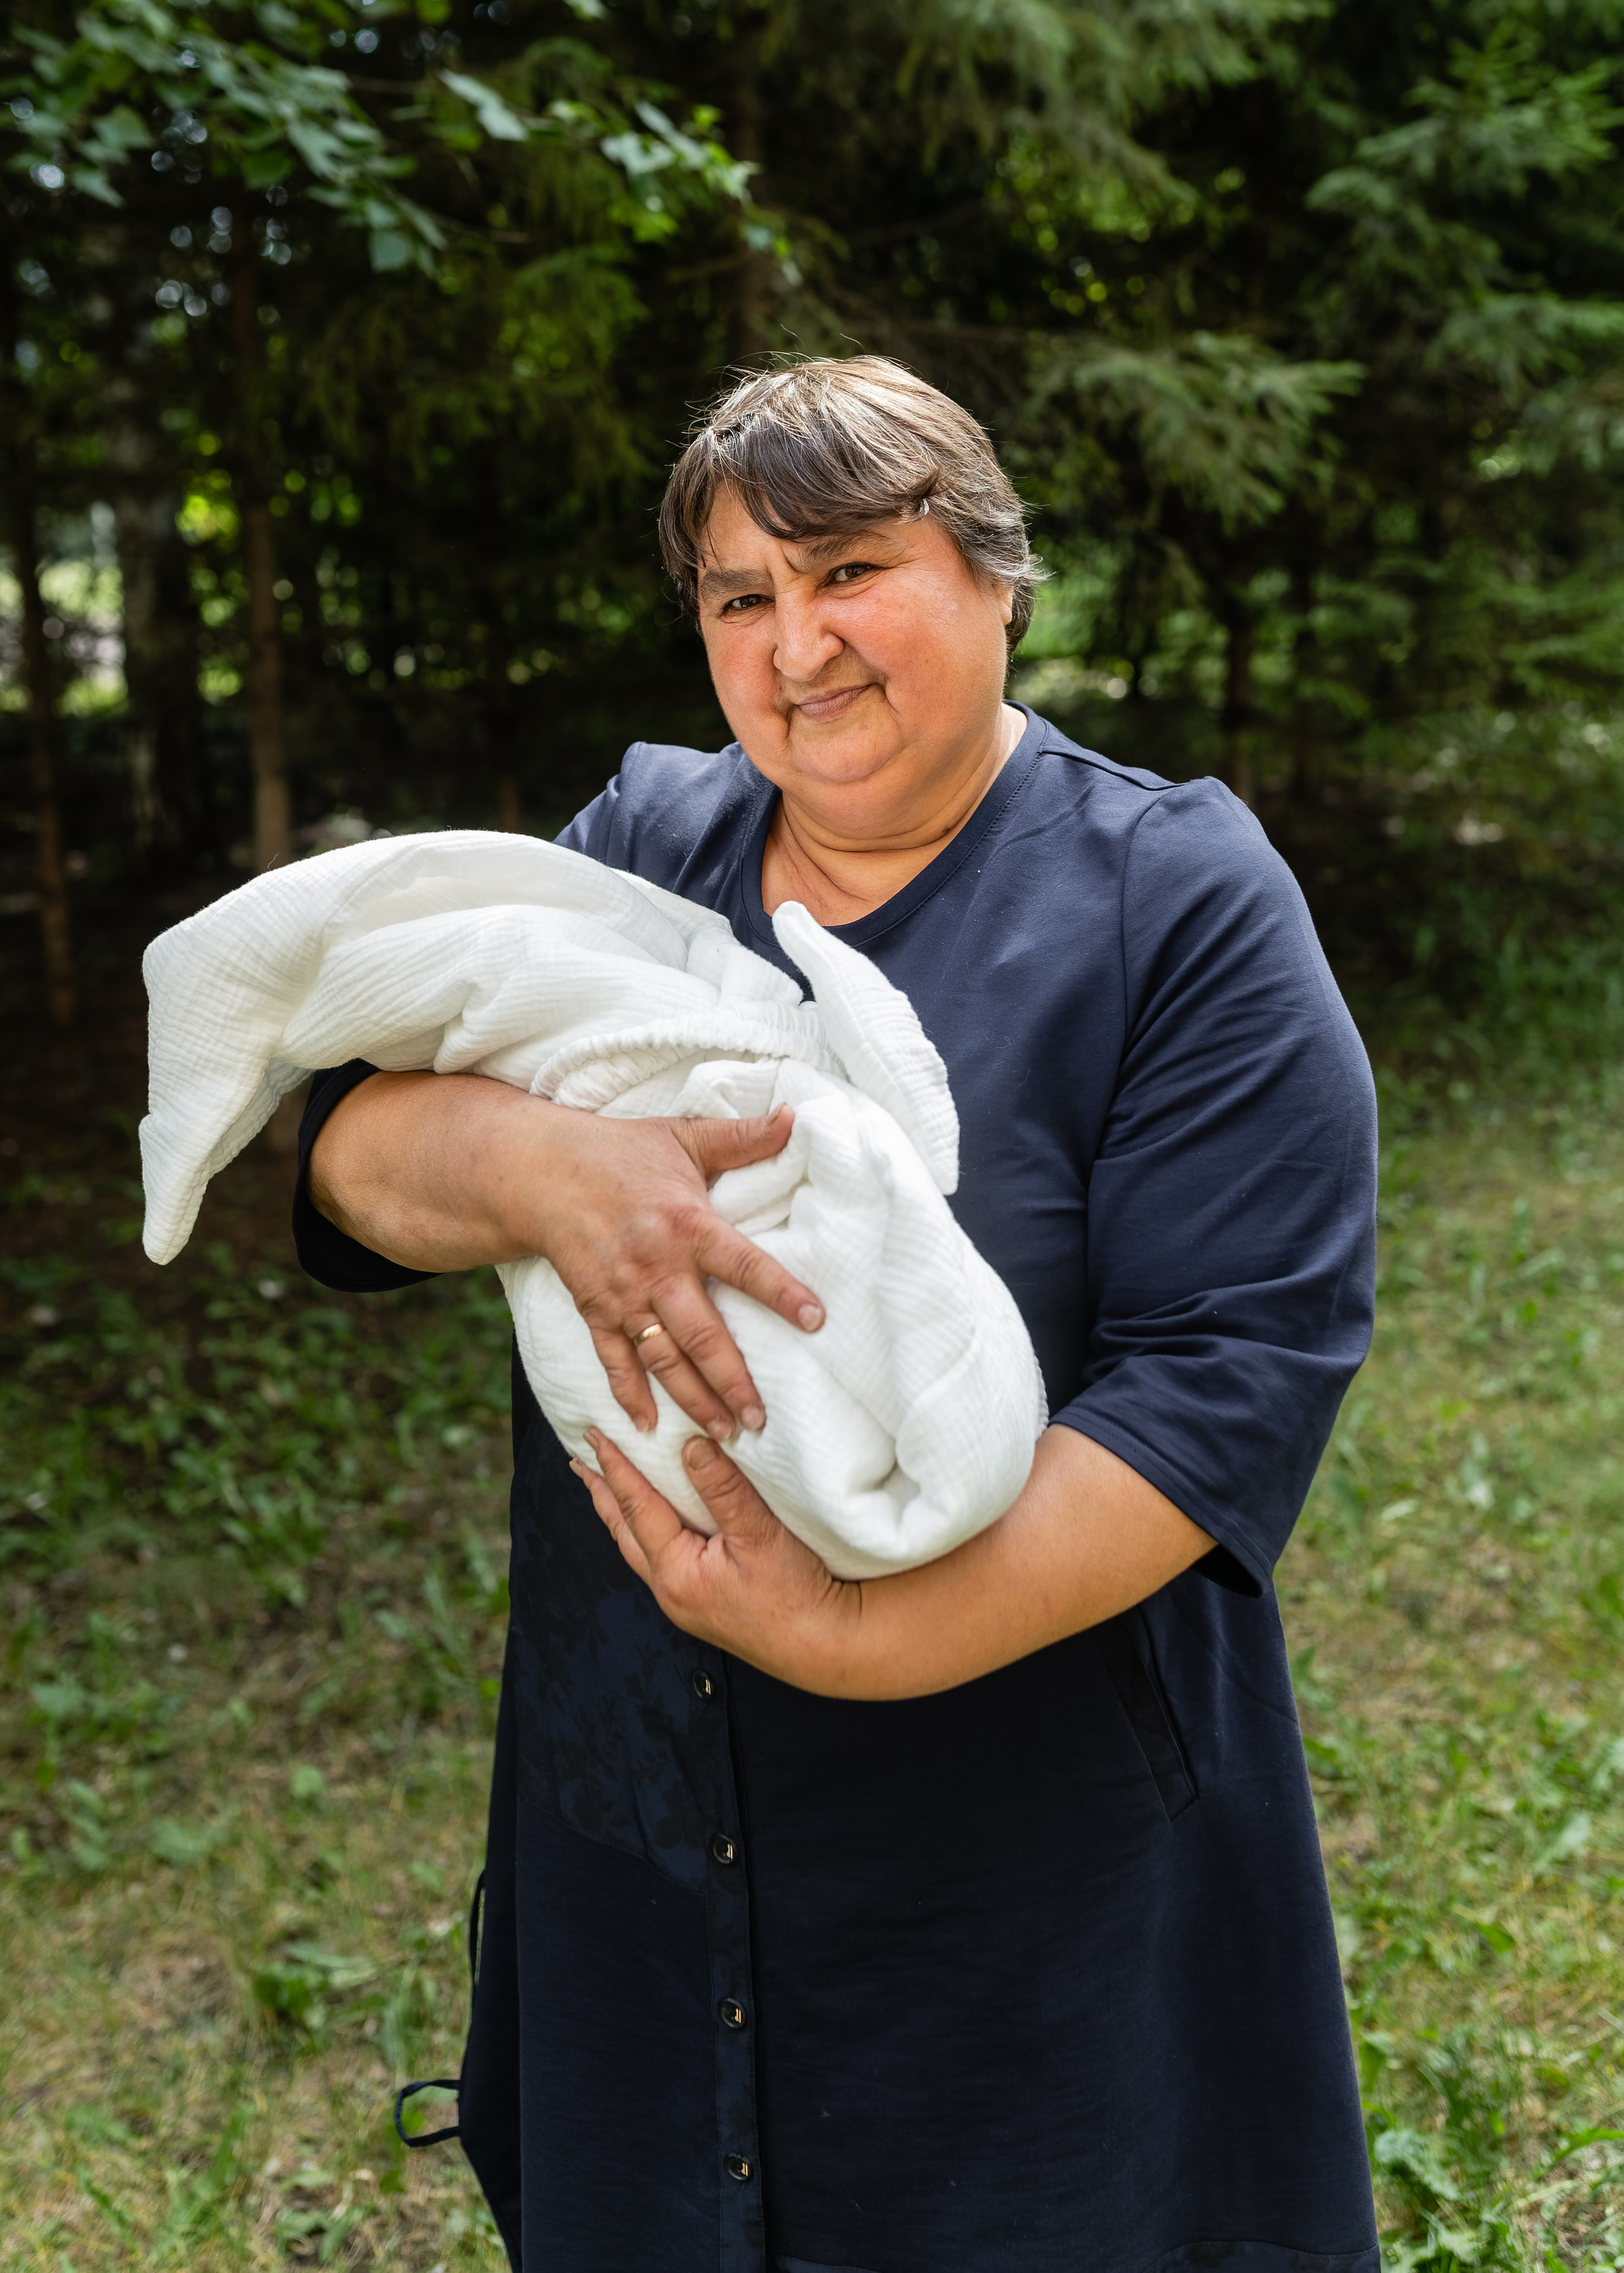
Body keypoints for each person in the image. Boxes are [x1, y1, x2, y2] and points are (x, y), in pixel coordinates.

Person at [296, 356, 1380, 2273]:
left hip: (1030, 1842)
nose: (798, 645)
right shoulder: (641, 850)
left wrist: (851, 1635)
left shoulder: (1174, 899)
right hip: (641, 1788)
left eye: (851, 570)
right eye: (740, 596)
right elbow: (350, 1164)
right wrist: (544, 1171)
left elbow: (1228, 1384)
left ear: (992, 578)